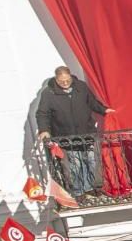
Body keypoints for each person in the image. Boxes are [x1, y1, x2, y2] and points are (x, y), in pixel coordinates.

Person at [35, 66, 112, 196]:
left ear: (70, 76)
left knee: (92, 161)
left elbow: (92, 102)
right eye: (61, 81)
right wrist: (44, 130)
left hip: (86, 132)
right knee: (75, 164)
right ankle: (79, 191)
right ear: (56, 79)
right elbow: (43, 114)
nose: (65, 83)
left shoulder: (81, 87)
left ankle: (93, 188)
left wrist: (104, 110)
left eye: (67, 80)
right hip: (66, 136)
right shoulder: (49, 93)